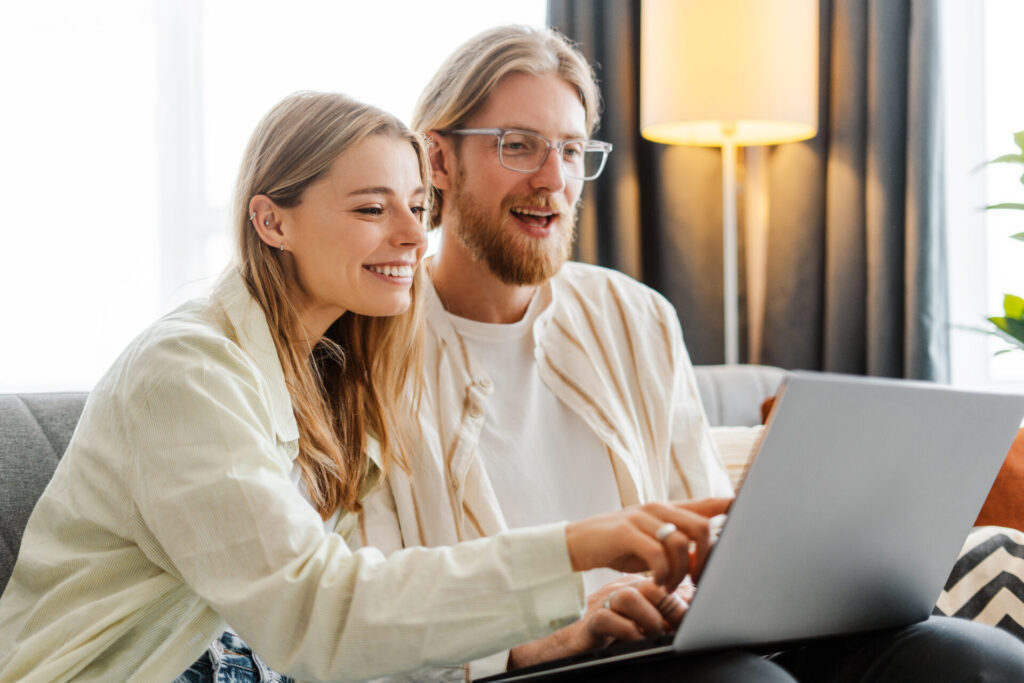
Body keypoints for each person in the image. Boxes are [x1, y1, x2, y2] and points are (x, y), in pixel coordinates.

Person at [358, 25, 1024, 680]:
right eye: (519, 146)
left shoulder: (634, 315)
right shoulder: (367, 350)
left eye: (571, 149)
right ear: (438, 161)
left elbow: (705, 518)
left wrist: (726, 584)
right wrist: (541, 641)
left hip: (674, 641)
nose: (553, 178)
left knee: (976, 659)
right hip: (529, 666)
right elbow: (365, 609)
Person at [0, 91, 730, 683]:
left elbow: (375, 608)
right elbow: (318, 611)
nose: (414, 235)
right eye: (372, 208)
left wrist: (534, 646)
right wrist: (575, 547)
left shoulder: (333, 376)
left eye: (417, 206)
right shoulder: (186, 373)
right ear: (272, 221)